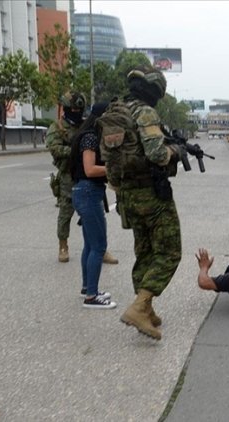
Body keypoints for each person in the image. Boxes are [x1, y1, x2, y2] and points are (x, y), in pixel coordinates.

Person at [110, 66, 182, 340]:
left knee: (145, 251)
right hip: (151, 195)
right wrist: (176, 150)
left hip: (126, 196)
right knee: (170, 252)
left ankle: (146, 308)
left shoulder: (117, 112)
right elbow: (156, 154)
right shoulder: (145, 112)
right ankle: (139, 307)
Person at [46, 92, 119, 265]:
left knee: (96, 213)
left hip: (89, 176)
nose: (76, 112)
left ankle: (100, 248)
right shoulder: (57, 127)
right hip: (68, 177)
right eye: (73, 109)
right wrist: (78, 152)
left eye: (79, 109)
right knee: (66, 213)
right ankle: (63, 245)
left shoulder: (87, 124)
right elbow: (55, 149)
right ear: (66, 108)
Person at [71, 103, 116, 309]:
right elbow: (89, 169)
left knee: (90, 245)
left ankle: (86, 287)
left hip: (85, 193)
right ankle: (91, 296)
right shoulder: (90, 137)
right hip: (88, 192)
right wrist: (114, 168)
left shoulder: (87, 134)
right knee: (99, 246)